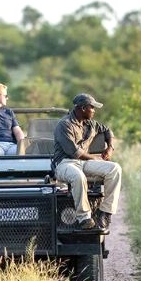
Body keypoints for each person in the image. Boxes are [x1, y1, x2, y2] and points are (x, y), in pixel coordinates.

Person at [53, 93, 121, 230]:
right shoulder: (64, 125)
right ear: (83, 108)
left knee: (115, 169)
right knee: (78, 176)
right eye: (92, 107)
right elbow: (75, 152)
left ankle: (105, 212)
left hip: (83, 163)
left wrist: (110, 148)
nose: (94, 110)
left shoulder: (91, 124)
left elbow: (107, 130)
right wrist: (95, 158)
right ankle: (84, 218)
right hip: (65, 163)